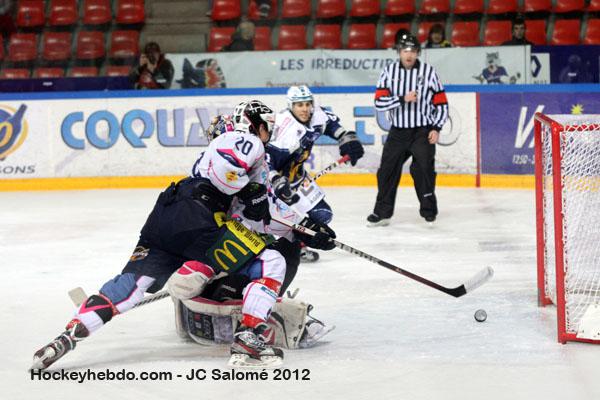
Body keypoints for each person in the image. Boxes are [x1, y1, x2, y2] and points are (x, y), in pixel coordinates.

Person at [31, 101, 336, 369]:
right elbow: (230, 174)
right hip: (201, 218)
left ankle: (66, 337)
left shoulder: (225, 154)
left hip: (166, 216)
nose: (269, 134)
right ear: (254, 124)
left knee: (133, 284)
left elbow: (263, 214)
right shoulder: (247, 140)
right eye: (266, 127)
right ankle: (245, 332)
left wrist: (307, 228)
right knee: (271, 262)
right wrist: (251, 192)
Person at [267, 85, 365, 262]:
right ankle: (291, 248)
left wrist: (346, 138)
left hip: (299, 179)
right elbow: (266, 161)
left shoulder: (317, 114)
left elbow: (331, 124)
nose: (305, 109)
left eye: (307, 104)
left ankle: (299, 241)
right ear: (291, 106)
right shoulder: (284, 130)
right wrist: (275, 181)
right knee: (284, 220)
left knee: (322, 214)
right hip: (277, 185)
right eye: (299, 105)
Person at [367, 33, 449, 227]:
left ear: (418, 52)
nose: (409, 54)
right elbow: (379, 102)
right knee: (386, 171)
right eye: (405, 50)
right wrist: (402, 99)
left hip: (422, 131)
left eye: (412, 50)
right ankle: (382, 213)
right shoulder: (389, 71)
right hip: (398, 132)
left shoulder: (429, 72)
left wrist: (436, 127)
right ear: (399, 52)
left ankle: (429, 211)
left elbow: (441, 103)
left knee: (423, 169)